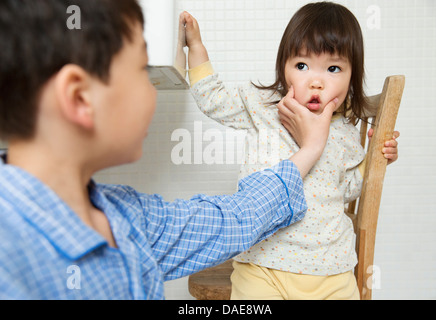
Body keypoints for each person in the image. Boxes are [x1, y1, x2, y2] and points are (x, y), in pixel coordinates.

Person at [0, 0, 338, 300]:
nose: (154, 93)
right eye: (142, 72)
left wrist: (311, 149)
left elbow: (236, 219)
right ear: (79, 98)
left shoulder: (129, 218)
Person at [178, 2, 400, 300]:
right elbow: (212, 99)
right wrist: (196, 45)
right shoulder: (263, 106)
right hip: (262, 266)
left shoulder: (346, 132)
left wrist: (375, 158)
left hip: (330, 270)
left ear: (352, 77)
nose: (316, 81)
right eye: (301, 66)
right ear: (283, 67)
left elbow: (347, 190)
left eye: (333, 68)